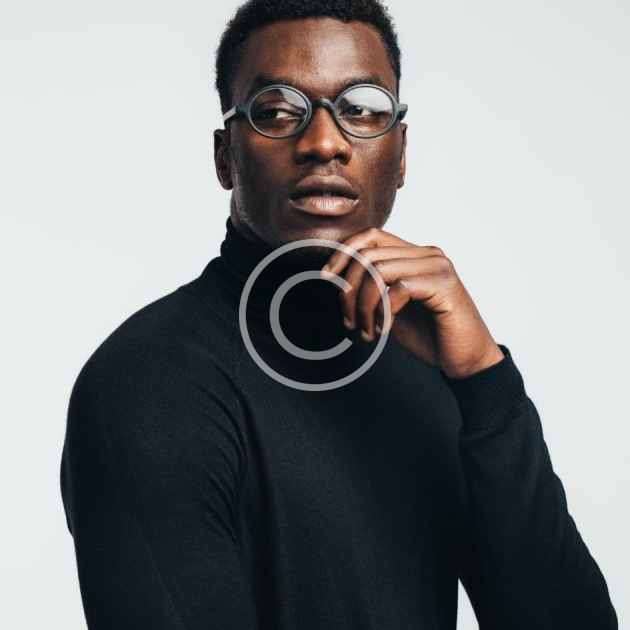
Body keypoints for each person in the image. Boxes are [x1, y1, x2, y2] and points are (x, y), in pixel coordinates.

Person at [60, 1, 618, 628]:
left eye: (362, 109)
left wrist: (485, 380)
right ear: (225, 157)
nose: (324, 142)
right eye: (277, 110)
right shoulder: (148, 383)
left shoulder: (433, 364)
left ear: (400, 155)